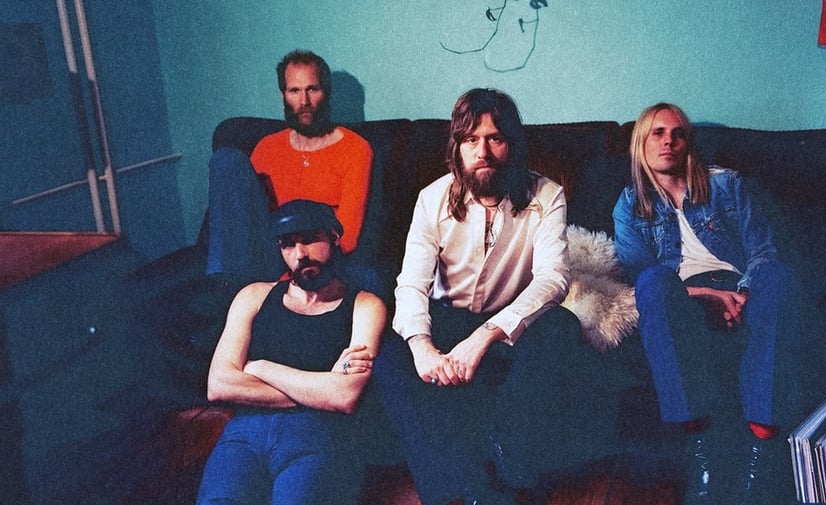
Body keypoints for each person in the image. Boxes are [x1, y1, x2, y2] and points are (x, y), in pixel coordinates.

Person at [374, 88, 586, 505]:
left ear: (513, 144)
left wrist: (486, 335)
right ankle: (468, 489)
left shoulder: (547, 196)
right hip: (446, 320)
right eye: (471, 140)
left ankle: (511, 467)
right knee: (389, 356)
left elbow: (553, 278)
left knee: (562, 325)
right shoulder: (431, 198)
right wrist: (422, 348)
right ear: (457, 147)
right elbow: (412, 283)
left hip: (509, 326)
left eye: (495, 139)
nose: (482, 152)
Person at [612, 103, 795, 504]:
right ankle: (702, 450)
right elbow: (639, 278)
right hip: (683, 298)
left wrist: (742, 293)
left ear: (688, 143)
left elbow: (762, 251)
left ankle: (761, 450)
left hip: (743, 288)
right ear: (641, 143)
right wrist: (708, 297)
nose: (669, 141)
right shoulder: (629, 206)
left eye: (677, 133)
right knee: (654, 281)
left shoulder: (727, 185)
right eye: (658, 133)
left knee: (777, 275)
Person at [195, 199, 386, 505]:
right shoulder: (254, 296)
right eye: (287, 244)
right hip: (245, 434)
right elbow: (219, 385)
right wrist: (320, 388)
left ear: (334, 238)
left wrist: (259, 367)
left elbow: (344, 396)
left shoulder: (364, 305)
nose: (300, 254)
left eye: (309, 239)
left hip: (317, 435)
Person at [206, 49, 374, 285]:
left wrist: (296, 268)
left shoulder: (355, 148)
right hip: (270, 249)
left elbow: (347, 237)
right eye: (294, 91)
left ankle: (236, 288)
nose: (304, 102)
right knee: (227, 159)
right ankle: (222, 282)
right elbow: (244, 215)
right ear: (283, 95)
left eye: (312, 89)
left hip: (314, 253)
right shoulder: (267, 147)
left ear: (326, 92)